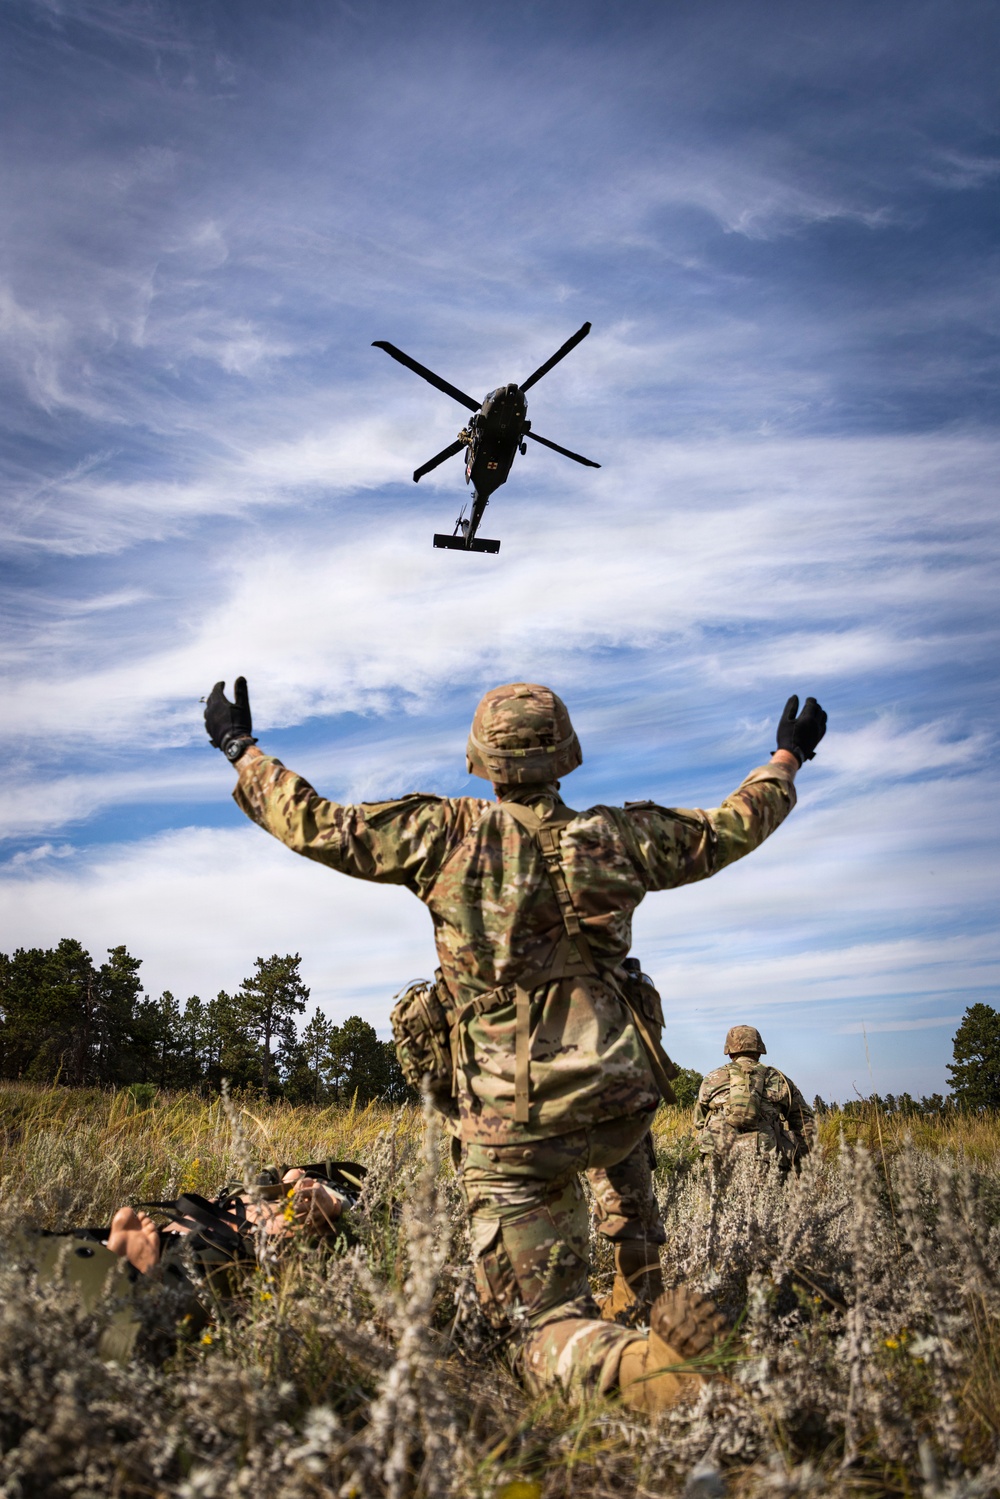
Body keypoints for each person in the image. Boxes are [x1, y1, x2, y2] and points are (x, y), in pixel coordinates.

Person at [204, 678, 826, 1409]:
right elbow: (731, 827)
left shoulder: (443, 834)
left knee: (538, 1326)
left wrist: (240, 748)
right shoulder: (619, 837)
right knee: (618, 1152)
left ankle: (649, 1370)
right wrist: (787, 756)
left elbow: (314, 822)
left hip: (514, 1124)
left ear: (480, 760)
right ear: (567, 755)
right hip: (618, 1100)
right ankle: (645, 1291)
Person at [693, 1026, 817, 1168]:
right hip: (765, 1160)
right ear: (759, 1051)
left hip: (718, 1158)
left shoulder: (712, 1078)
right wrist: (802, 1161)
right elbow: (804, 1121)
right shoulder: (779, 1079)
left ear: (729, 1052)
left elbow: (699, 1121)